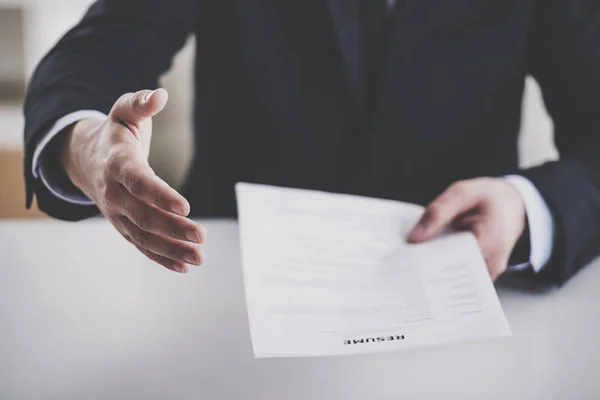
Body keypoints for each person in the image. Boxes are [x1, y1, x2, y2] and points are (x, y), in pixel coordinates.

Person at [23, 0, 600, 284]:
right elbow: (96, 53)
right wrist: (88, 146)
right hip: (225, 290)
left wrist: (528, 207)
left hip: (466, 290)